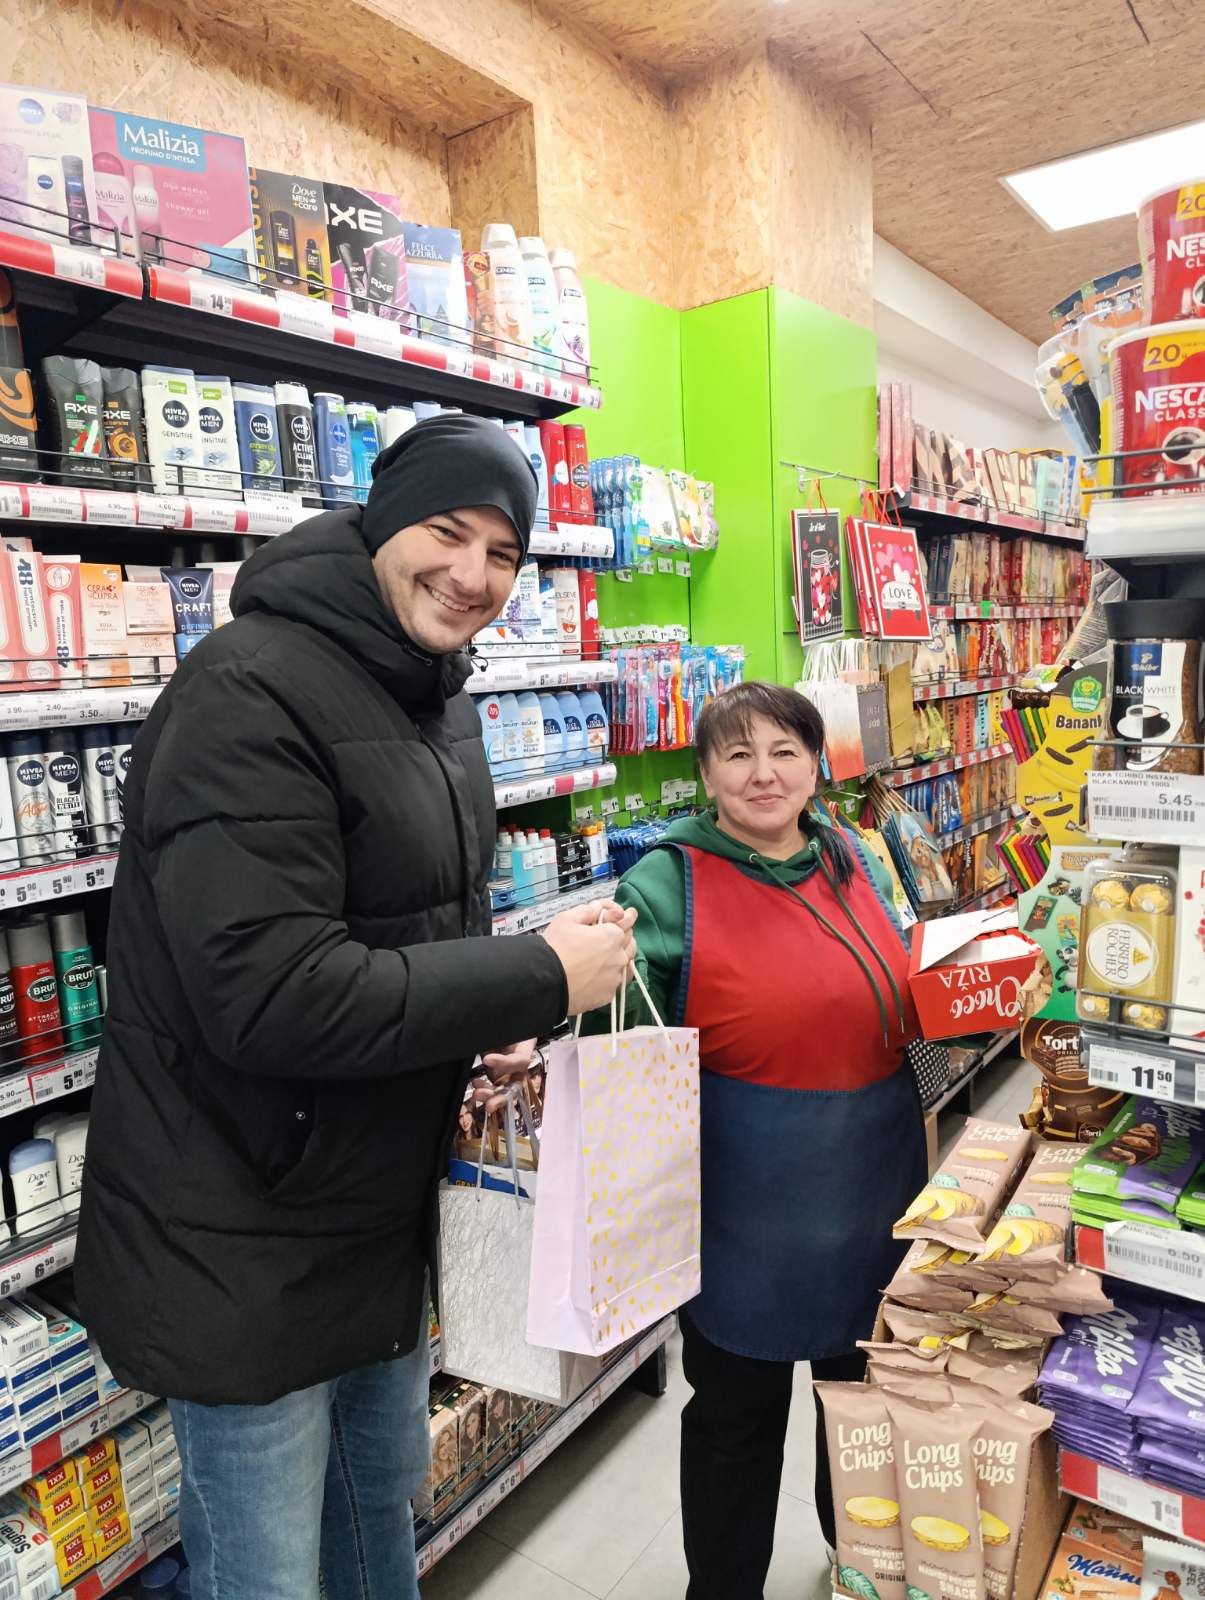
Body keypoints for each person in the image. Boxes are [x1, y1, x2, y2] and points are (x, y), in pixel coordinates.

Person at [73, 414, 637, 1600]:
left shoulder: (439, 698)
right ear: (380, 524)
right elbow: (272, 993)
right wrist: (536, 974)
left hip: (373, 1220)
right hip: (241, 1235)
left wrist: (480, 1025)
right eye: (446, 532)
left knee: (379, 1526)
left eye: (503, 552)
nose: (472, 574)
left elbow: (399, 933)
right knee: (269, 1576)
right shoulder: (246, 690)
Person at [604, 680, 925, 1599]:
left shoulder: (848, 853)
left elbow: (900, 974)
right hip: (743, 1206)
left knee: (858, 1406)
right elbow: (616, 1033)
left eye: (785, 750)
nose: (763, 773)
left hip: (872, 1185)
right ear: (705, 774)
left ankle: (858, 1569)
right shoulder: (665, 882)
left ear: (815, 765)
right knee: (735, 1417)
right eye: (737, 754)